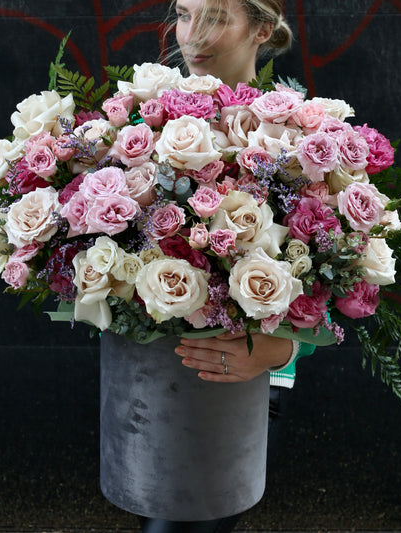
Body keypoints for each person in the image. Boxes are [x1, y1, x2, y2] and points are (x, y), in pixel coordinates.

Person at [134, 1, 320, 532]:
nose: (193, 35)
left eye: (216, 17)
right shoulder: (145, 116)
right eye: (186, 14)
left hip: (248, 384)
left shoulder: (300, 135)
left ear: (262, 28)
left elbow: (334, 273)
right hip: (148, 381)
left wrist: (283, 348)